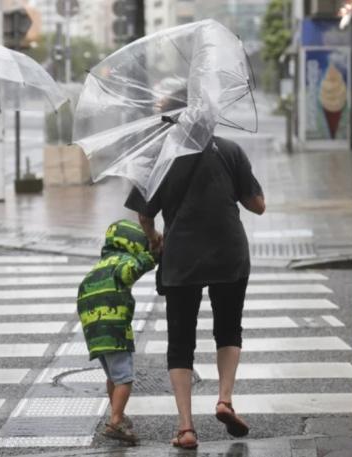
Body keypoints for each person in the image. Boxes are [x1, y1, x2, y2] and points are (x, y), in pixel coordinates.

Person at [125, 136, 265, 449]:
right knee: (229, 329)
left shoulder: (159, 154)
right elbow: (257, 206)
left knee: (180, 340)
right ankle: (225, 401)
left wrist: (154, 237)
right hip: (229, 252)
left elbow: (145, 215)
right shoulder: (230, 149)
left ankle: (186, 428)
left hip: (182, 257)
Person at [77, 219, 157, 445]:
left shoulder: (100, 265)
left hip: (94, 331)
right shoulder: (123, 260)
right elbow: (128, 272)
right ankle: (115, 420)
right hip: (114, 329)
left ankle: (117, 413)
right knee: (125, 378)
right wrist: (152, 258)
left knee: (112, 376)